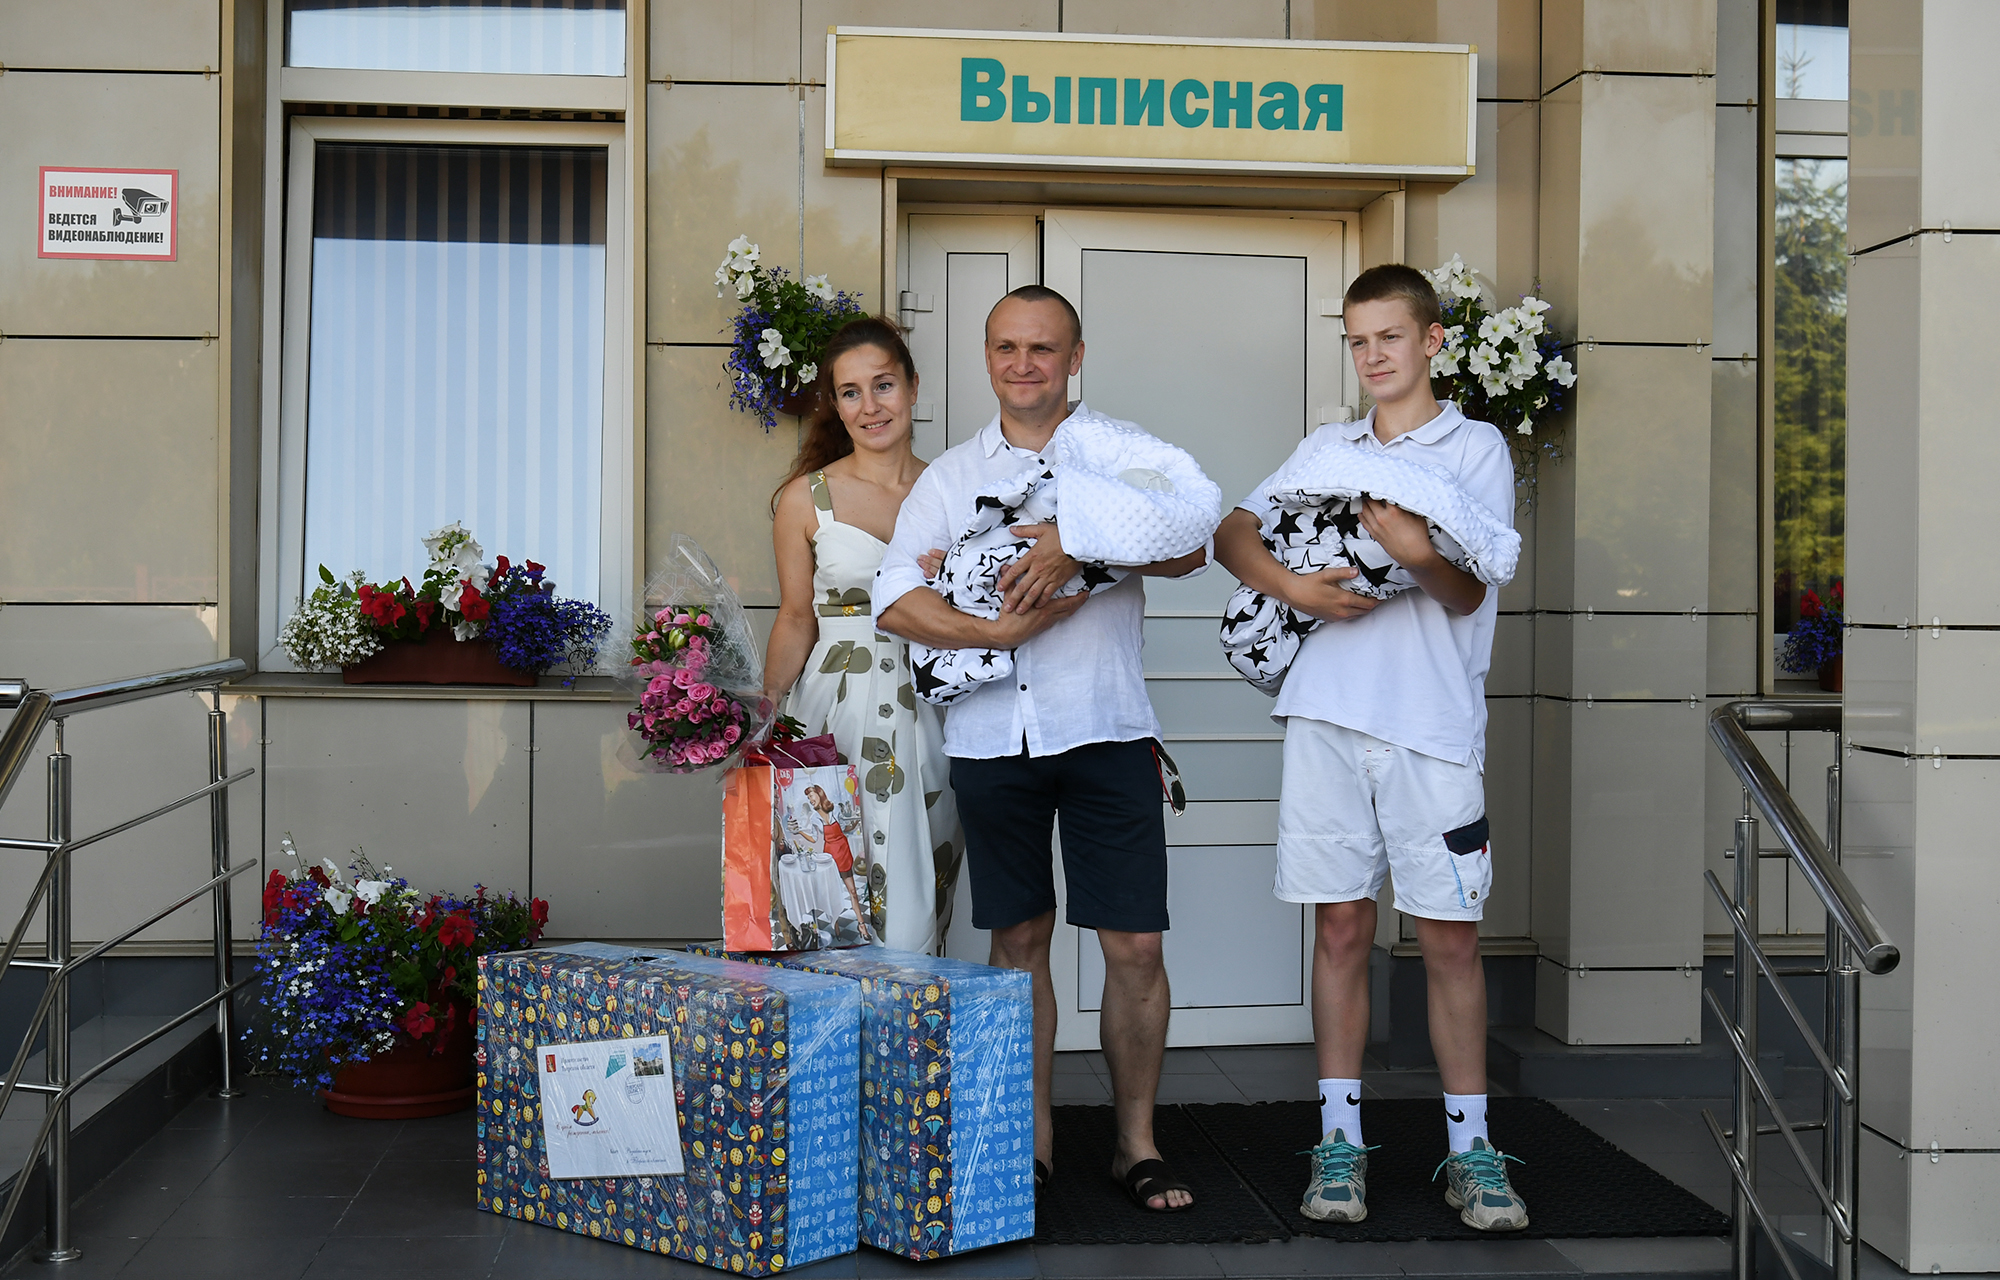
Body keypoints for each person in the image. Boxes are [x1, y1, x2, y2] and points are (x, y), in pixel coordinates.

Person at [873, 285, 1215, 1212]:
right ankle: (1034, 1140)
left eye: (1043, 349)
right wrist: (992, 638)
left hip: (1106, 728)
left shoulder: (1119, 454)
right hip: (992, 737)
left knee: (1134, 946)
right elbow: (894, 595)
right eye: (1007, 348)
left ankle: (1135, 1146)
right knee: (1018, 940)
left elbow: (1192, 543)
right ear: (986, 356)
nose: (1024, 364)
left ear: (1076, 357)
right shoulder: (949, 475)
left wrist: (1077, 541)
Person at [1214, 263, 1527, 1231]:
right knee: (1340, 928)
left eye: (1388, 335)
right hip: (1323, 714)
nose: (1371, 354)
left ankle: (1470, 1153)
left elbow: (1470, 591)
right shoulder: (1325, 445)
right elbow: (1231, 532)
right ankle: (1338, 1142)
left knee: (1446, 938)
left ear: (1431, 340)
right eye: (1356, 339)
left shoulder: (1471, 448)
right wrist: (1294, 587)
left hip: (1429, 728)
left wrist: (1416, 545)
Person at [763, 316, 963, 956]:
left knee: (924, 882)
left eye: (884, 385)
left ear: (912, 387)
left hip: (938, 707)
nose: (870, 406)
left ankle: (911, 1045)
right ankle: (833, 1045)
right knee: (830, 881)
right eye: (851, 392)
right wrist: (764, 718)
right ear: (835, 403)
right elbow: (797, 616)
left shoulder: (958, 490)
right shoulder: (805, 498)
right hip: (835, 710)